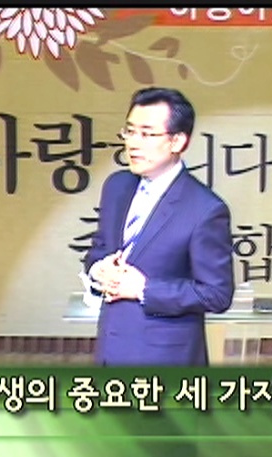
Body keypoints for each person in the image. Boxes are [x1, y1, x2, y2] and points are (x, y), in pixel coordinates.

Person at [83, 87, 235, 367]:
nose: (133, 143)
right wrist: (98, 270)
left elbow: (216, 294)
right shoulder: (117, 186)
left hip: (166, 358)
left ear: (177, 141)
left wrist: (144, 289)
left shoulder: (205, 209)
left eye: (147, 134)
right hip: (110, 349)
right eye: (130, 132)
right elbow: (99, 249)